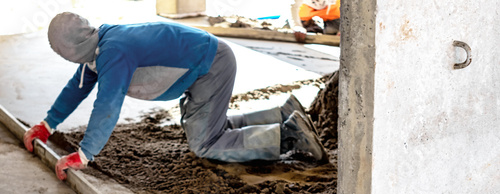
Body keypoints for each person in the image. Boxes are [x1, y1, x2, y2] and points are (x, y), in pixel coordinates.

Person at [23, 12, 328, 181]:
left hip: (210, 66)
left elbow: (108, 104)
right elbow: (77, 87)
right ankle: (281, 114)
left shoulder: (113, 53)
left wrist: (84, 154)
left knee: (205, 143)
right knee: (212, 128)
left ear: (71, 50)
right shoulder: (100, 44)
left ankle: (289, 136)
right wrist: (47, 125)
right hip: (207, 61)